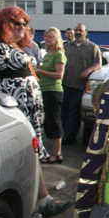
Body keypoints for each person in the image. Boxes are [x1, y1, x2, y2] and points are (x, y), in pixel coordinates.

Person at [0, 7, 72, 218]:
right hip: (10, 113)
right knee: (26, 154)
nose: (21, 28)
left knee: (30, 153)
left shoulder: (13, 46)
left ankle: (41, 201)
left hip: (27, 111)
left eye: (24, 24)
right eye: (16, 23)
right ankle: (42, 201)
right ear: (3, 24)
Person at [61, 23, 101, 144]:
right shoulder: (67, 46)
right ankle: (65, 133)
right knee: (64, 111)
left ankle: (70, 135)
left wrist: (87, 71)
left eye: (80, 30)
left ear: (86, 32)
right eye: (76, 30)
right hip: (65, 84)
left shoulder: (92, 47)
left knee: (74, 111)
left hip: (79, 85)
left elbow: (97, 64)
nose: (78, 32)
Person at [35, 27, 67, 164]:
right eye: (45, 36)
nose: (46, 38)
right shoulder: (47, 54)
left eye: (50, 36)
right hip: (44, 89)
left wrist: (40, 72)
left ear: (56, 39)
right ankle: (53, 151)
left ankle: (57, 153)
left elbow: (59, 75)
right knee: (47, 121)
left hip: (53, 91)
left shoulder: (59, 54)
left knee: (54, 121)